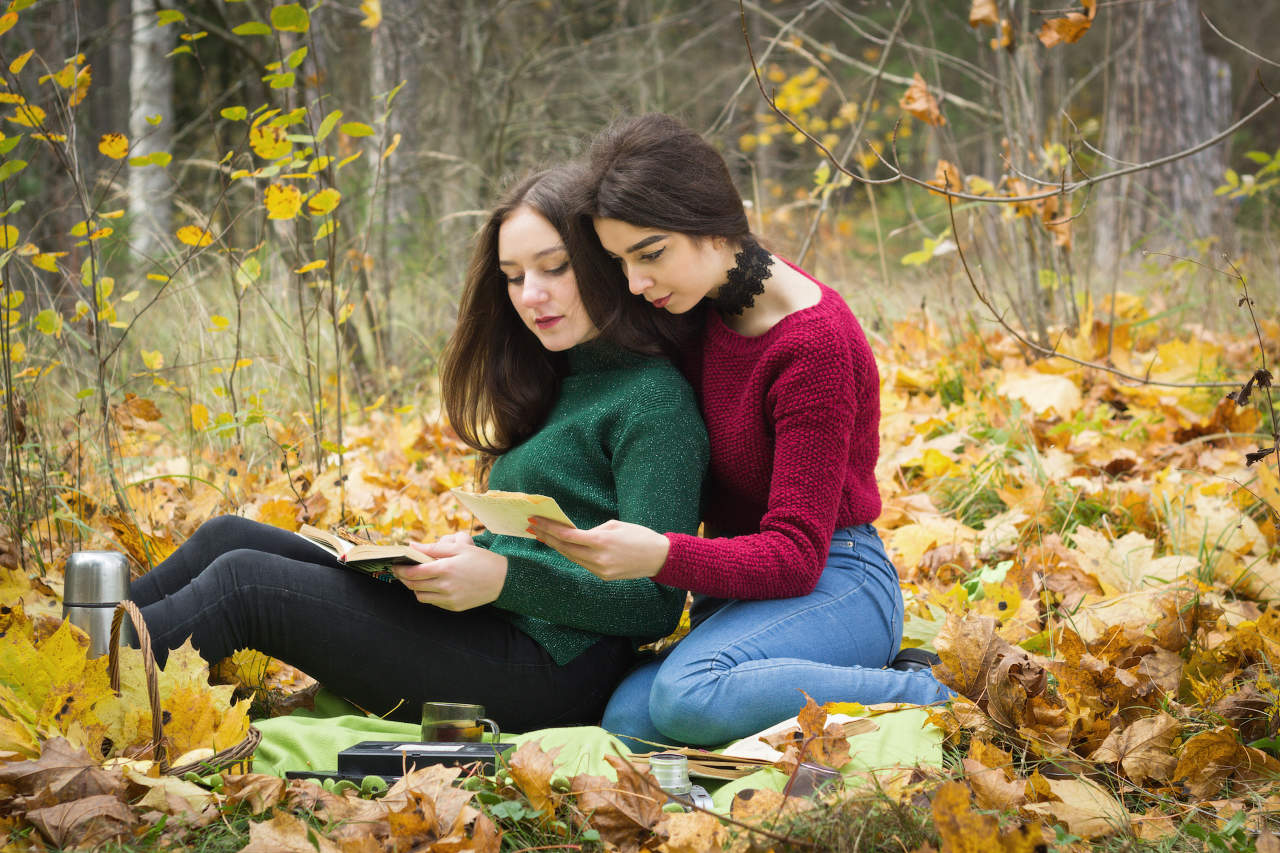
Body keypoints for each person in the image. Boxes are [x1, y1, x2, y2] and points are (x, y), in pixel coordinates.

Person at [128, 164, 708, 733]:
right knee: (228, 535)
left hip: (554, 668)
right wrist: (473, 552)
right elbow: (556, 533)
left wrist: (505, 577)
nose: (532, 295)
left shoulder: (653, 401)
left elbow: (653, 604)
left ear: (605, 262)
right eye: (512, 276)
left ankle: (79, 685)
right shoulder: (563, 375)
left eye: (555, 268)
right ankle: (74, 634)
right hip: (497, 622)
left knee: (247, 587)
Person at [529, 114, 952, 746]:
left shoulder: (815, 344)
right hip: (736, 596)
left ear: (712, 224)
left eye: (651, 254)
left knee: (687, 696)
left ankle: (928, 695)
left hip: (836, 578)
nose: (636, 283)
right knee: (627, 724)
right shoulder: (692, 307)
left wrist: (663, 556)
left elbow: (796, 557)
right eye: (621, 262)